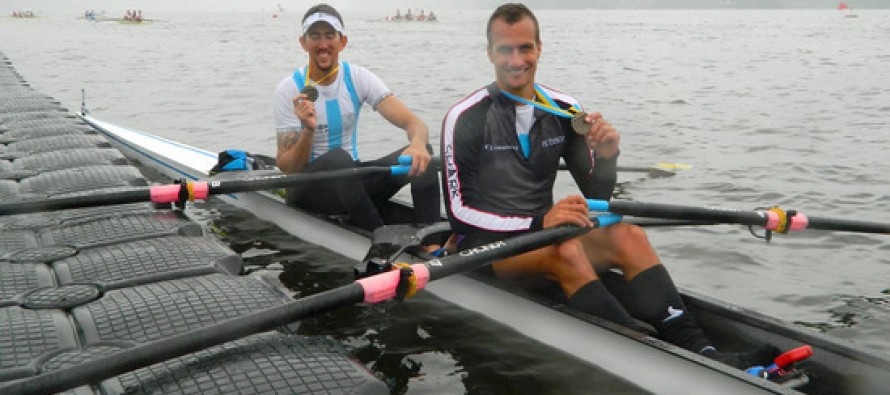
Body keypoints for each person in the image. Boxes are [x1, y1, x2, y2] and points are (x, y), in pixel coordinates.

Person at [441, 3, 777, 369]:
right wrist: (538, 225)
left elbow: (597, 197)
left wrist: (606, 156)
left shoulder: (564, 110)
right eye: (505, 49)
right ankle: (646, 353)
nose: (516, 59)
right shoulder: (465, 117)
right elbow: (459, 215)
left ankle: (705, 353)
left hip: (546, 235)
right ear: (490, 53)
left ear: (540, 48)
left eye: (525, 48)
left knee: (627, 234)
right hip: (489, 248)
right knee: (566, 250)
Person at [274, 4, 440, 233]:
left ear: (342, 42)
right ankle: (382, 239)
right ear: (303, 43)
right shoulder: (289, 88)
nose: (323, 44)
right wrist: (308, 132)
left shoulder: (358, 78)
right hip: (306, 192)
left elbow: (414, 124)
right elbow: (288, 169)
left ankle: (431, 241)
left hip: (350, 181)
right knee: (338, 159)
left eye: (330, 35)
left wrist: (418, 145)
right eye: (315, 36)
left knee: (423, 155)